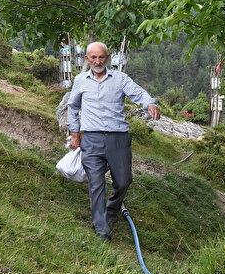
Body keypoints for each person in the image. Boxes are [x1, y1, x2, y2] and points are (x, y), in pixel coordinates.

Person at [67, 42, 160, 240]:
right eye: (93, 57)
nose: (97, 61)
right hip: (91, 139)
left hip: (118, 139)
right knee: (96, 183)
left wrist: (150, 104)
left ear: (108, 58)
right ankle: (101, 229)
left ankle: (111, 211)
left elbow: (139, 93)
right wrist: (75, 134)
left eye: (101, 57)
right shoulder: (80, 80)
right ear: (87, 59)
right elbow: (72, 107)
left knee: (124, 180)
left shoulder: (120, 78)